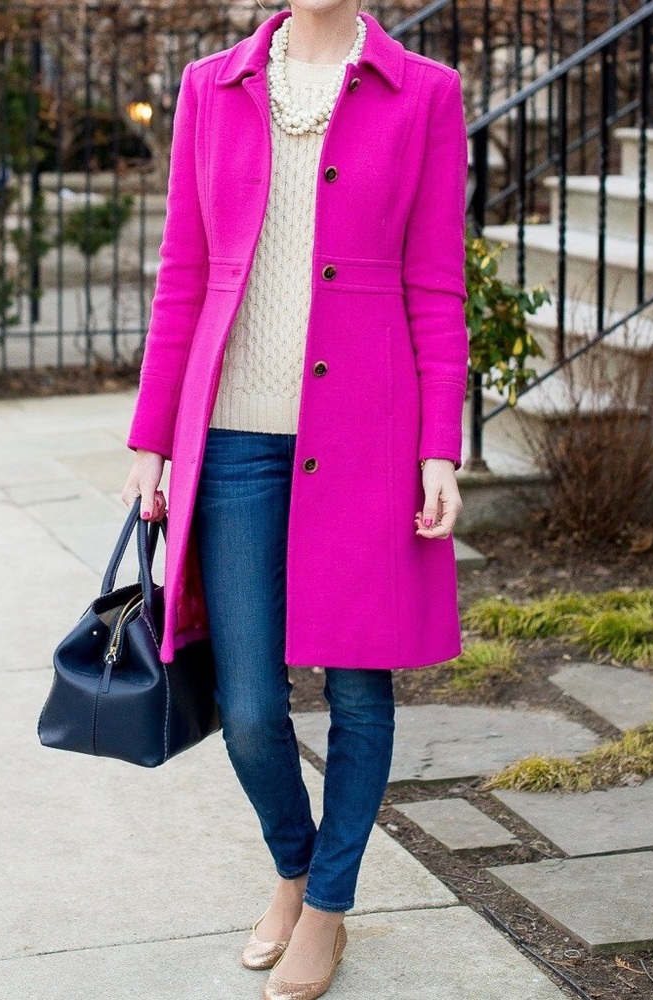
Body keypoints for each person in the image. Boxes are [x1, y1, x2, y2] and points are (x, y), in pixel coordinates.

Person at [121, 2, 469, 997]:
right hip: (232, 437)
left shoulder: (424, 95)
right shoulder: (209, 87)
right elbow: (183, 271)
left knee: (360, 689)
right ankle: (292, 865)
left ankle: (326, 906)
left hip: (366, 437)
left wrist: (435, 446)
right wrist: (152, 435)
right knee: (248, 708)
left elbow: (436, 286)